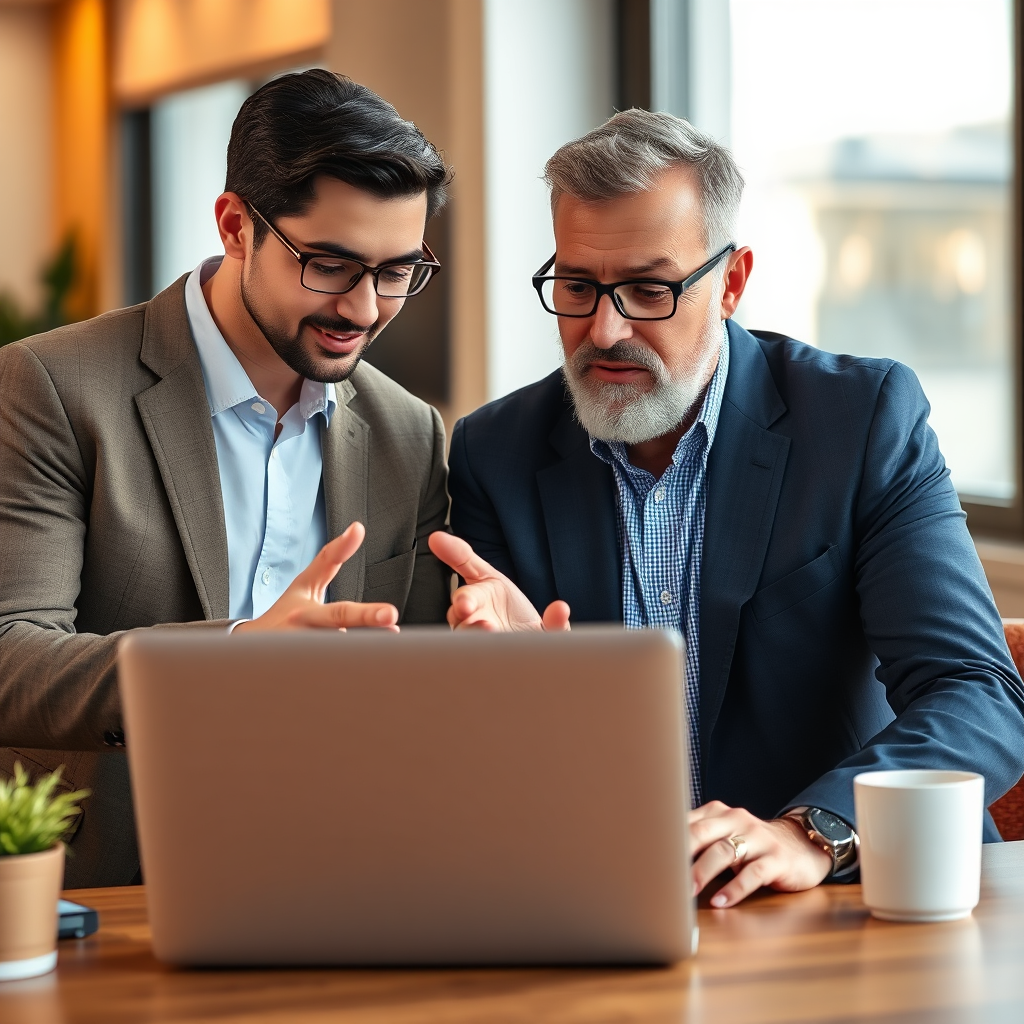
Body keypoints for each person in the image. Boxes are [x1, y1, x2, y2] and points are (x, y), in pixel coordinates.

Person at [438, 109, 1024, 908]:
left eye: (649, 289)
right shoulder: (495, 452)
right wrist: (503, 698)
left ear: (732, 283)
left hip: (851, 902)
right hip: (618, 903)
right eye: (577, 287)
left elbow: (977, 693)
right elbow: (480, 778)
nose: (604, 330)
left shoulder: (859, 421)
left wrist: (814, 831)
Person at [0, 70, 456, 886]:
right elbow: (11, 659)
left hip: (338, 883)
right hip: (114, 890)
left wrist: (487, 669)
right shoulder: (54, 387)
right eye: (330, 265)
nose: (363, 309)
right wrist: (234, 657)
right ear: (236, 225)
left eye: (396, 272)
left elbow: (410, 693)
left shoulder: (408, 433)